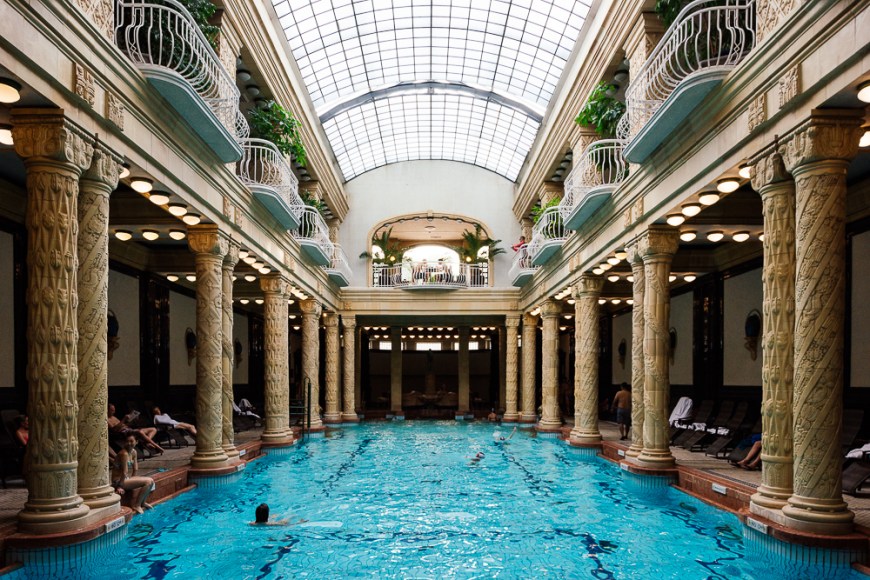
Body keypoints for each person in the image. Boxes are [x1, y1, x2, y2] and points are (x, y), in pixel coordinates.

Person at [112, 434, 155, 514]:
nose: (129, 443)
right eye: (127, 441)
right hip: (118, 481)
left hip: (125, 479)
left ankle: (143, 502)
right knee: (148, 481)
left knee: (151, 481)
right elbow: (125, 472)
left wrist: (133, 481)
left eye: (131, 441)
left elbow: (135, 468)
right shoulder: (123, 454)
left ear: (136, 442)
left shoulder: (134, 452)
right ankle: (137, 505)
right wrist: (120, 486)